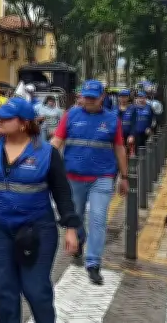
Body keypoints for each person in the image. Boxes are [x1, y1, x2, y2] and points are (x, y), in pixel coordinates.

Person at [0, 97, 80, 323]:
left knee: (35, 289)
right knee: (4, 289)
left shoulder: (46, 153)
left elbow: (62, 193)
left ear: (24, 123)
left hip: (36, 228)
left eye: (6, 117)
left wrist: (70, 227)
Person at [51, 79, 128, 285]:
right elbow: (56, 142)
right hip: (73, 178)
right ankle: (80, 238)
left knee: (98, 218)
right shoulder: (70, 115)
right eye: (86, 97)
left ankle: (93, 262)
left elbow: (120, 149)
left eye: (93, 97)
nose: (89, 101)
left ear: (102, 97)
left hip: (102, 178)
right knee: (75, 217)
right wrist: (43, 163)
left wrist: (125, 176)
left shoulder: (113, 120)